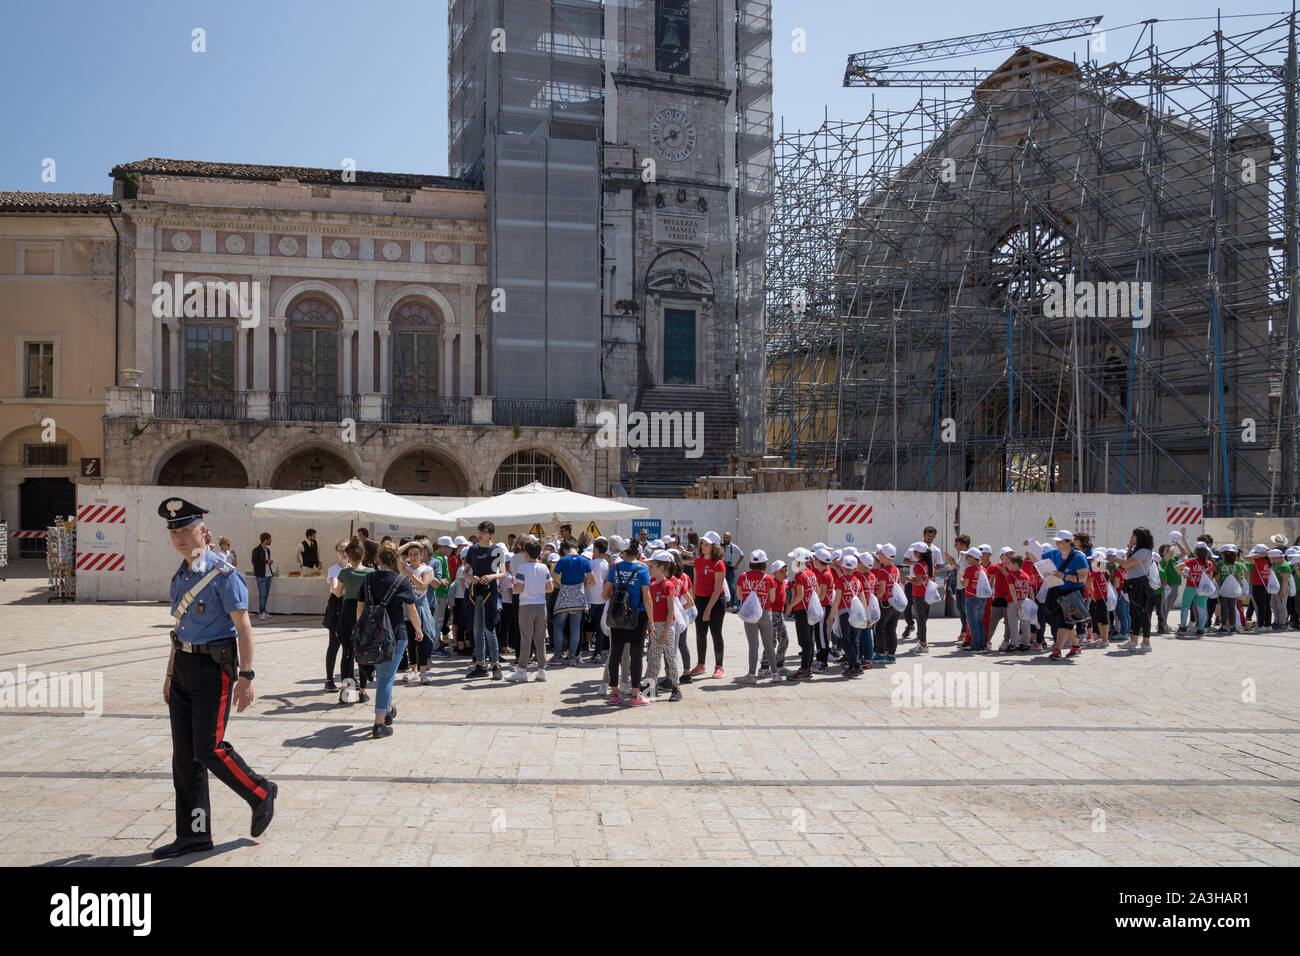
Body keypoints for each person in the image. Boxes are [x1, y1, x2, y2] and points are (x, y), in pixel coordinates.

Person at [153, 497, 276, 859]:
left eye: (186, 530)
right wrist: (169, 674)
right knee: (185, 757)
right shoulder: (181, 575)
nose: (179, 537)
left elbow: (245, 628)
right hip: (184, 669)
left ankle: (261, 792)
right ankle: (194, 834)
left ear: (203, 531)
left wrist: (247, 676)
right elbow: (179, 629)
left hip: (213, 670)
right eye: (174, 531)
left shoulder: (225, 575)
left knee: (209, 748)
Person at [355, 543, 421, 738]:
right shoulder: (401, 581)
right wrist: (419, 630)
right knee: (386, 678)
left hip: (370, 635)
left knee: (382, 673)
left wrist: (361, 628)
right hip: (395, 634)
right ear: (398, 560)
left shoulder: (368, 578)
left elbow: (360, 606)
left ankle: (388, 708)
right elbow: (412, 610)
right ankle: (379, 723)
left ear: (378, 560)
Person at [603, 540, 652, 705]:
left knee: (615, 653)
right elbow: (647, 597)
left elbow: (604, 593)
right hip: (638, 616)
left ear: (623, 552)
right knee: (636, 655)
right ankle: (635, 695)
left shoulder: (615, 567)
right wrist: (651, 622)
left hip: (617, 616)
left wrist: (618, 603)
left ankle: (614, 693)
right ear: (638, 552)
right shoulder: (643, 569)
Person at [333, 541, 374, 702]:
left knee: (347, 652)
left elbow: (337, 593)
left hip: (348, 610)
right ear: (363, 555)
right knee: (363, 652)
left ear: (348, 556)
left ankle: (346, 691)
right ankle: (363, 692)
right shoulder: (371, 572)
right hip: (365, 611)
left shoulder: (344, 573)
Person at [507, 537, 553, 681]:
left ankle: (522, 669)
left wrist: (514, 583)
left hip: (526, 605)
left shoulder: (522, 568)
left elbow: (519, 589)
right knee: (540, 639)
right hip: (540, 604)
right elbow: (550, 588)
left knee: (525, 638)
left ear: (526, 554)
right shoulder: (543, 567)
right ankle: (541, 669)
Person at [465, 521, 506, 680]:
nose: (479, 534)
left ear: (490, 534)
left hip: (490, 592)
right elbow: (465, 572)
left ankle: (496, 664)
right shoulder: (472, 549)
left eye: (483, 531)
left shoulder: (497, 550)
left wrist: (492, 576)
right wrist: (470, 578)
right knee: (477, 630)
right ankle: (481, 664)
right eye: (479, 531)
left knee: (490, 628)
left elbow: (503, 573)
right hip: (475, 592)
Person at [735, 549, 782, 684]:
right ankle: (775, 674)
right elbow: (772, 599)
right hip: (765, 612)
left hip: (749, 613)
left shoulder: (743, 577)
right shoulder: (768, 579)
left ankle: (751, 675)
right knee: (768, 644)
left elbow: (738, 596)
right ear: (764, 563)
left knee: (753, 645)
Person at [1040, 530, 1089, 660]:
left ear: (1069, 542)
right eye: (1056, 542)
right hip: (1059, 591)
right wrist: (1029, 547)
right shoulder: (1054, 554)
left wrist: (1065, 576)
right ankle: (1076, 646)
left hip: (1074, 593)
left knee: (1064, 622)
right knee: (1068, 622)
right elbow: (1038, 556)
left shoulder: (1079, 557)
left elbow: (1083, 578)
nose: (1057, 544)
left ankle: (1057, 650)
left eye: (1060, 542)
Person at [687, 531, 728, 678]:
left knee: (716, 633)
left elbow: (717, 589)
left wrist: (708, 609)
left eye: (706, 544)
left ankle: (719, 667)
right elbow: (696, 581)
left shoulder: (719, 564)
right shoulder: (697, 560)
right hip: (700, 600)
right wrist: (693, 602)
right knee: (700, 633)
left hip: (716, 601)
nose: (703, 546)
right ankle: (700, 664)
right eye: (702, 544)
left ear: (714, 547)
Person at [644, 550, 684, 700]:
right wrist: (651, 624)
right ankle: (650, 689)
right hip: (655, 626)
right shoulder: (652, 585)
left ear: (661, 568)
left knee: (670, 657)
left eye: (652, 567)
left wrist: (667, 631)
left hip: (667, 626)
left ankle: (676, 688)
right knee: (653, 658)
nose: (649, 570)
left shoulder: (668, 586)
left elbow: (670, 612)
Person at [398, 540, 437, 684]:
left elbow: (422, 586)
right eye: (410, 554)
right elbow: (394, 553)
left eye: (416, 554)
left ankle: (423, 671)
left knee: (423, 640)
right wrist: (409, 544)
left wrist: (409, 574)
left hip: (421, 607)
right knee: (411, 640)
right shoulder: (404, 567)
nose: (413, 557)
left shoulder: (427, 569)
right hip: (407, 607)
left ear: (422, 555)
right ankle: (413, 670)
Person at [550, 540, 594, 665]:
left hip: (564, 596)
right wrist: (582, 587)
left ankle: (558, 656)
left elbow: (551, 578)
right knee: (575, 628)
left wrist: (559, 586)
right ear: (576, 548)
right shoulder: (584, 561)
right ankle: (573, 657)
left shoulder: (562, 561)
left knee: (558, 626)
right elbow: (593, 580)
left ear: (564, 549)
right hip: (578, 597)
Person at [1116, 528, 1156, 651]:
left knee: (1143, 614)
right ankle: (1133, 641)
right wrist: (1129, 549)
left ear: (1140, 537)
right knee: (1136, 614)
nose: (1131, 538)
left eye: (1133, 536)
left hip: (1140, 584)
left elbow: (1126, 564)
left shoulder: (1143, 551)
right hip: (1134, 583)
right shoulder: (1139, 550)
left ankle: (1146, 643)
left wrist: (1121, 556)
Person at [324, 539, 348, 690]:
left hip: (350, 605)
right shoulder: (334, 569)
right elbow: (335, 589)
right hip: (337, 607)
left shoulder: (354, 567)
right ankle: (329, 679)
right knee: (334, 644)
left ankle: (348, 677)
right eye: (341, 551)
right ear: (336, 552)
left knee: (349, 645)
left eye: (346, 550)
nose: (344, 554)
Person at [1175, 542, 1213, 637]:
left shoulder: (1191, 561)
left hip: (1191, 586)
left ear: (1195, 552)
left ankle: (1183, 627)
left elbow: (1177, 567)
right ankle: (1201, 629)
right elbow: (1210, 578)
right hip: (1203, 589)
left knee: (1185, 606)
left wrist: (1185, 575)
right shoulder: (1209, 563)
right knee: (1202, 608)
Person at [906, 543, 933, 653]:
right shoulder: (927, 564)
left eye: (914, 552)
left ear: (918, 553)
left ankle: (923, 644)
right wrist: (913, 578)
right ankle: (922, 643)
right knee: (922, 620)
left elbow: (919, 581)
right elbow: (923, 578)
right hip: (926, 594)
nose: (913, 553)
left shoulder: (918, 565)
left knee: (920, 620)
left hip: (919, 594)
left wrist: (910, 580)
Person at [250, 532, 274, 619]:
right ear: (265, 540)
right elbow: (255, 563)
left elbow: (265, 563)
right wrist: (266, 561)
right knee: (262, 594)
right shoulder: (256, 550)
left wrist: (269, 563)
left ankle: (264, 611)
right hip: (261, 576)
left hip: (268, 575)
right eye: (270, 539)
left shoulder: (268, 550)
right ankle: (261, 612)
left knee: (266, 594)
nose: (271, 541)